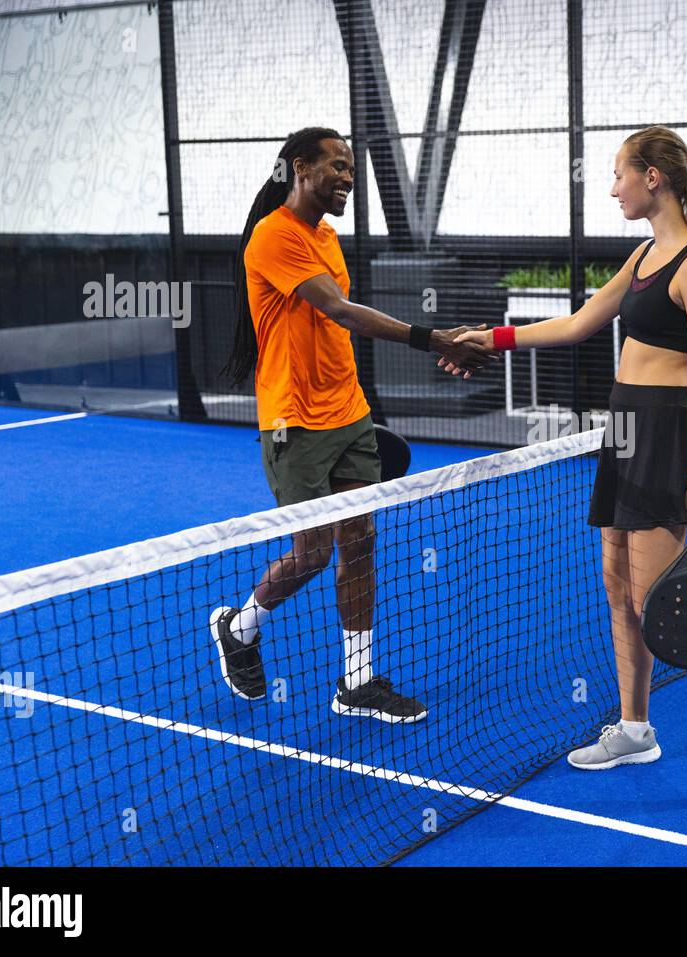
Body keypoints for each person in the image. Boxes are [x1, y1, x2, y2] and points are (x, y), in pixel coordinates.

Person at [449, 127, 687, 793]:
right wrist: (490, 338)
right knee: (617, 587)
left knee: (657, 599)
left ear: (653, 178)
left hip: (666, 436)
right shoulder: (643, 255)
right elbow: (577, 324)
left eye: (619, 175)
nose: (612, 188)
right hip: (625, 429)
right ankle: (635, 728)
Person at [210, 127, 496, 722]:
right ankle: (240, 627)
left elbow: (333, 327)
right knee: (313, 553)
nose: (347, 177)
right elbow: (339, 310)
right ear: (299, 168)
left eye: (350, 168)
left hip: (350, 413)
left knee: (360, 542)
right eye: (336, 166)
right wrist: (434, 339)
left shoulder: (327, 237)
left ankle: (357, 683)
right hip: (294, 422)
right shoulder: (273, 236)